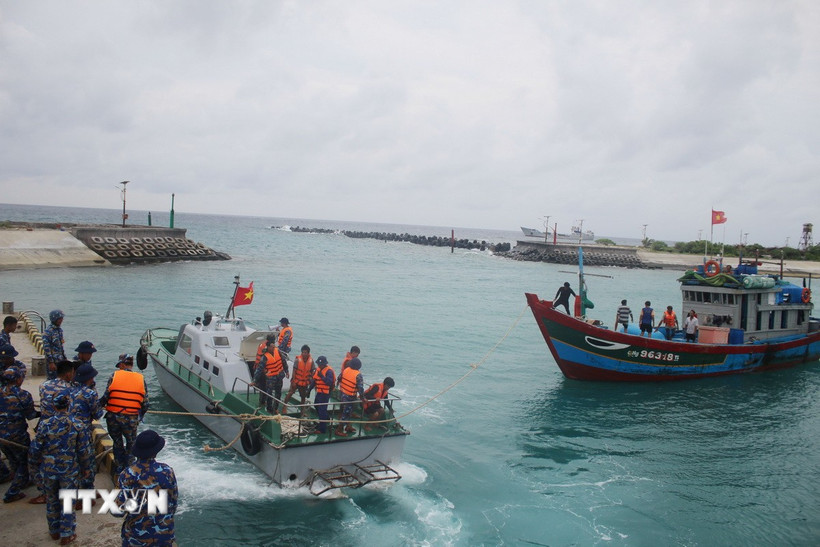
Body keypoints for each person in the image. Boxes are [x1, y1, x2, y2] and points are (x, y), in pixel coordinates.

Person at [28, 389, 90, 545]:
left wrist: (34, 464)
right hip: (69, 470)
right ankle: (67, 533)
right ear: (68, 406)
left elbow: (36, 448)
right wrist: (86, 468)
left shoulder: (45, 424)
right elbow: (83, 450)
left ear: (54, 407)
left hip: (49, 469)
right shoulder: (77, 424)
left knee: (52, 500)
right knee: (68, 502)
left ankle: (54, 531)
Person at [118, 430, 178, 547]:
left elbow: (119, 511)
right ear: (155, 452)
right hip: (164, 536)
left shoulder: (127, 474)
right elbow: (173, 502)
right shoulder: (167, 471)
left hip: (136, 537)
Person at [102, 354, 149, 473]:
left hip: (113, 417)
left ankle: (118, 468)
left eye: (119, 365)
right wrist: (139, 416)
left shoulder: (114, 375)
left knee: (117, 442)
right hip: (131, 418)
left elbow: (106, 397)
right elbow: (145, 403)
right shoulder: (140, 378)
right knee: (131, 443)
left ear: (122, 364)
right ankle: (129, 469)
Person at [0, 366, 38, 503]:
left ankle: (20, 481)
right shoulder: (23, 395)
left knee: (12, 459)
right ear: (17, 380)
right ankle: (12, 492)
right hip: (16, 435)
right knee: (24, 462)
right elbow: (31, 415)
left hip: (1, 436)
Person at [71, 363, 102, 492]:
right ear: (90, 378)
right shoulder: (90, 393)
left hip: (69, 430)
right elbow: (98, 414)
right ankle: (87, 492)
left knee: (74, 461)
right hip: (83, 432)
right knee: (88, 463)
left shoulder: (70, 391)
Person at [253, 341, 289, 414]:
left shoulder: (277, 351)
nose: (273, 348)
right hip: (271, 379)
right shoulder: (265, 357)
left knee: (278, 393)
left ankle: (275, 408)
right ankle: (269, 408)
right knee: (269, 394)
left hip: (279, 377)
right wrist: (254, 381)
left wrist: (287, 371)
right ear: (268, 347)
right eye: (272, 347)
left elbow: (283, 361)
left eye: (274, 346)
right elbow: (259, 369)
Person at [281, 345, 314, 416]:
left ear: (308, 353)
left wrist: (311, 378)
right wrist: (293, 381)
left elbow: (312, 371)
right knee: (290, 393)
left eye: (305, 352)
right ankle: (284, 406)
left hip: (304, 382)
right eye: (303, 352)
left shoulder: (311, 361)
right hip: (296, 381)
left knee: (303, 397)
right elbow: (294, 371)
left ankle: (302, 412)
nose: (304, 354)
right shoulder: (297, 360)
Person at [336, 357, 364, 437]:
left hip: (342, 394)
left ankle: (348, 426)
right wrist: (362, 398)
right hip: (349, 397)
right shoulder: (358, 375)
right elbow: (360, 388)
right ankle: (339, 430)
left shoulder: (346, 370)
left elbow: (339, 378)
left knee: (346, 412)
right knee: (346, 413)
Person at [309, 356, 335, 434]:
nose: (319, 365)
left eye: (320, 364)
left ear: (324, 364)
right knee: (316, 405)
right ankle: (326, 418)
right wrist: (309, 390)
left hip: (325, 393)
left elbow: (329, 382)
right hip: (319, 391)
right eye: (318, 364)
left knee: (322, 409)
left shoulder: (329, 371)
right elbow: (314, 380)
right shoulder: (318, 369)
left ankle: (322, 429)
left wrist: (322, 377)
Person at [43, 309, 67, 380]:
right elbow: (46, 348)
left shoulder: (59, 330)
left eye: (62, 318)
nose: (61, 320)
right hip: (53, 361)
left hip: (60, 360)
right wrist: (51, 362)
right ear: (54, 319)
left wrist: (64, 358)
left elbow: (60, 346)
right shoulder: (48, 332)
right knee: (52, 380)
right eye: (59, 318)